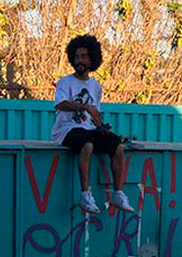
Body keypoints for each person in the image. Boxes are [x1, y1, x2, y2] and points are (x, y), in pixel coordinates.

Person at [52, 34, 134, 214]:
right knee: (86, 144)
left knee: (116, 145)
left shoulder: (96, 86)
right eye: (77, 57)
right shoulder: (65, 82)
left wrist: (100, 125)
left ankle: (118, 193)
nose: (79, 61)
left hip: (88, 129)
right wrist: (86, 107)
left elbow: (94, 114)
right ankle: (85, 195)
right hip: (67, 131)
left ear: (92, 59)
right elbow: (60, 104)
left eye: (84, 57)